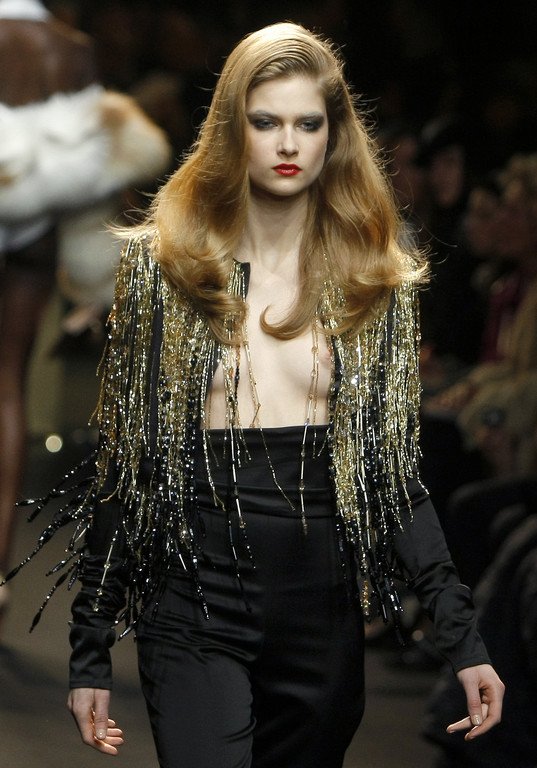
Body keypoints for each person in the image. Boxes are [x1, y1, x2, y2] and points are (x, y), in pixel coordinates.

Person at [12, 22, 503, 768]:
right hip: (192, 605)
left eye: (308, 123)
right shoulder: (169, 272)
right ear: (230, 130)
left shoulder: (371, 281)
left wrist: (462, 639)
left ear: (334, 135)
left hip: (321, 618)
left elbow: (391, 476)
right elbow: (129, 466)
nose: (287, 143)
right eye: (265, 121)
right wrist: (90, 647)